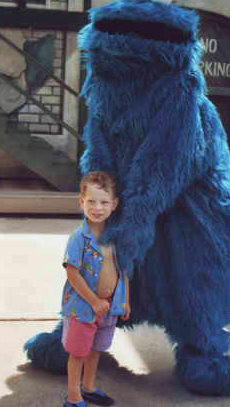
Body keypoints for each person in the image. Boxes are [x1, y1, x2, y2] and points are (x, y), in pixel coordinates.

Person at [61, 171, 131, 407]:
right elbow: (71, 273)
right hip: (85, 307)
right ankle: (73, 396)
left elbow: (123, 269)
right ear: (81, 202)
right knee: (79, 352)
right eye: (91, 201)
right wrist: (93, 301)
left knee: (96, 349)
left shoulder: (115, 235)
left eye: (104, 202)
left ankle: (89, 387)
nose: (97, 208)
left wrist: (125, 301)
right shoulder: (78, 238)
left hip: (109, 308)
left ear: (114, 204)